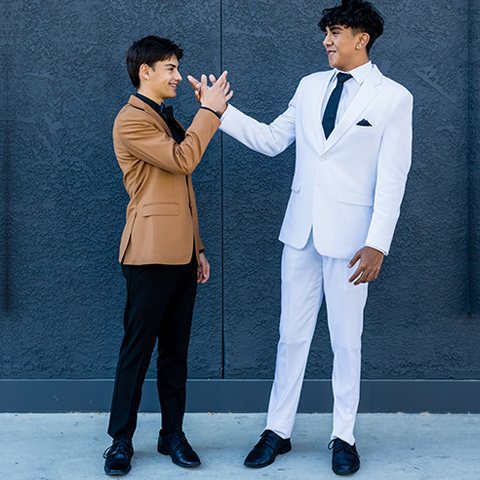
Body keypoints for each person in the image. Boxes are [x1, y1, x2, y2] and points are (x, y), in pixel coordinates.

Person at [189, 0, 412, 475]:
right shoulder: (309, 86)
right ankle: (278, 430)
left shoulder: (394, 97)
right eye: (326, 33)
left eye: (335, 32)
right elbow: (272, 140)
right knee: (290, 336)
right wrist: (219, 112)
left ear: (361, 38)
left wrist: (379, 243)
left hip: (354, 243)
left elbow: (393, 177)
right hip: (301, 235)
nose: (327, 41)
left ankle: (343, 436)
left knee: (346, 341)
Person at [103, 35, 232, 476]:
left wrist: (197, 249)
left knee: (176, 352)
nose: (178, 76)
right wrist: (210, 112)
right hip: (148, 254)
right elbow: (183, 161)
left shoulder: (163, 117)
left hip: (180, 254)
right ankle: (120, 440)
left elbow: (182, 192)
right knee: (136, 351)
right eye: (171, 68)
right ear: (146, 72)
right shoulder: (131, 120)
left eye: (177, 68)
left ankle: (171, 434)